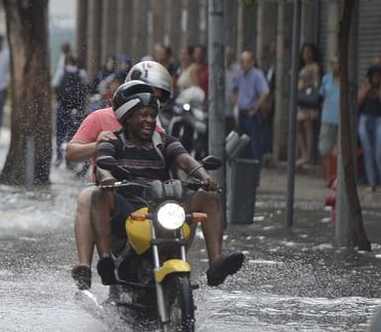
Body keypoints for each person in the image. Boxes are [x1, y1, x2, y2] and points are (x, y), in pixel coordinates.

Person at [68, 80, 244, 290]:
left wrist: (204, 176)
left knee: (210, 198)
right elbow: (102, 166)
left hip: (162, 205)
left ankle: (216, 261)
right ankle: (105, 259)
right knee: (97, 195)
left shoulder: (163, 140)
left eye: (152, 116)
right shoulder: (111, 140)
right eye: (143, 115)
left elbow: (185, 160)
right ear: (128, 117)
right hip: (129, 208)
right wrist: (106, 178)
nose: (149, 121)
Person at [66, 61, 173, 276]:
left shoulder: (156, 128)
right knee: (88, 196)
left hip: (146, 195)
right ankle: (85, 266)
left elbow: (175, 158)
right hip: (111, 192)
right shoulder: (100, 118)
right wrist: (98, 145)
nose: (151, 102)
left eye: (158, 97)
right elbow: (71, 152)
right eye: (147, 93)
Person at [231, 49, 270, 162]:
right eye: (242, 61)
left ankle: (255, 166)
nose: (244, 64)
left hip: (252, 112)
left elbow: (265, 92)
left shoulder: (257, 75)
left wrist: (255, 108)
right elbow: (234, 89)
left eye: (247, 61)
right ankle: (244, 166)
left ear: (252, 62)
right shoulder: (240, 75)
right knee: (242, 143)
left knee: (254, 142)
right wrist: (236, 101)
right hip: (242, 111)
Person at [54, 54, 88, 164]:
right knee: (72, 132)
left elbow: (55, 84)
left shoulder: (61, 71)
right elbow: (85, 88)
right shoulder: (81, 73)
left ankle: (59, 156)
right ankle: (70, 158)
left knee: (60, 133)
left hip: (62, 106)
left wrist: (59, 97)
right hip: (75, 108)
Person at [296, 42, 323, 168]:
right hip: (301, 100)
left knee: (308, 126)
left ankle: (308, 155)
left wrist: (308, 83)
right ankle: (303, 153)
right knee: (299, 127)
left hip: (309, 101)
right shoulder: (302, 67)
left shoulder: (314, 67)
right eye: (304, 52)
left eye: (308, 52)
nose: (306, 54)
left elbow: (317, 83)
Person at [318, 56, 341, 186]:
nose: (336, 67)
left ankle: (337, 178)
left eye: (338, 64)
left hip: (341, 121)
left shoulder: (347, 81)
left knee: (339, 152)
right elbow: (321, 96)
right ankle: (327, 178)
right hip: (327, 118)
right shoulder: (326, 79)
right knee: (325, 149)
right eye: (334, 64)